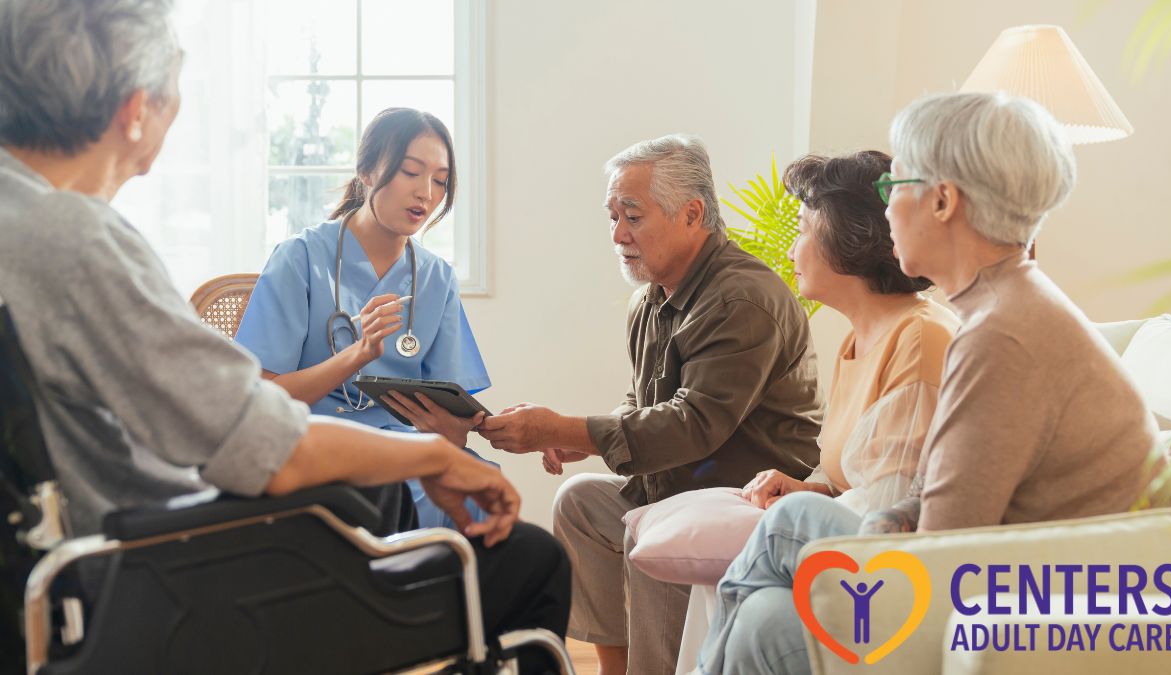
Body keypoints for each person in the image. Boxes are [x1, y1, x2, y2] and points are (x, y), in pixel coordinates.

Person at [0, 1, 568, 670]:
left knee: (385, 496)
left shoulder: (23, 216)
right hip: (171, 578)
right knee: (536, 560)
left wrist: (452, 440)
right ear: (135, 109)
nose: (425, 190)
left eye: (439, 180)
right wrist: (435, 458)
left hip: (87, 564)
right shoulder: (74, 240)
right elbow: (270, 445)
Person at [696, 92, 1164, 675]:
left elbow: (943, 554)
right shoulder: (1008, 307)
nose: (885, 211)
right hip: (1011, 586)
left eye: (896, 188)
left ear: (943, 201)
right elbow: (942, 503)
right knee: (765, 613)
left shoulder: (1001, 336)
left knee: (783, 539)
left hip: (1025, 613)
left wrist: (865, 523)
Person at [478, 134, 825, 675]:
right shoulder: (653, 300)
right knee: (580, 504)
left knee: (653, 531)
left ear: (691, 214)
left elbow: (693, 424)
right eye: (612, 217)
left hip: (741, 499)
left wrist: (567, 428)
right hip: (676, 488)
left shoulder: (740, 299)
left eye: (632, 217)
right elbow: (644, 404)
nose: (618, 235)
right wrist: (572, 437)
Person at [691, 150, 957, 673]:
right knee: (761, 615)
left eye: (804, 229)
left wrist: (803, 507)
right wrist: (812, 489)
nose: (792, 247)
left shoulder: (921, 337)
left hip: (904, 569)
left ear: (847, 240)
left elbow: (897, 507)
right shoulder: (857, 340)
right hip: (865, 545)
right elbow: (861, 475)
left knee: (786, 522)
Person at [235, 106, 494, 531]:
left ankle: (455, 598)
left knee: (481, 486)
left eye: (440, 181)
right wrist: (357, 355)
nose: (426, 193)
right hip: (312, 443)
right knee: (401, 495)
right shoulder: (300, 259)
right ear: (367, 171)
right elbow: (262, 400)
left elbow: (448, 417)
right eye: (411, 172)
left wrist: (456, 430)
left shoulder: (435, 278)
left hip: (405, 447)